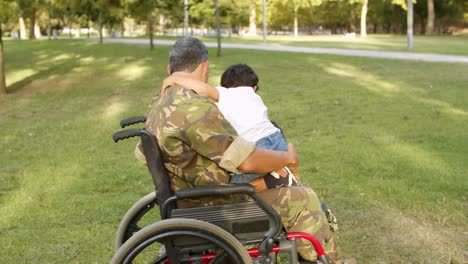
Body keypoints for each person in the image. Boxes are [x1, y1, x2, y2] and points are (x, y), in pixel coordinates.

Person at [140, 37, 338, 262]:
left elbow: (141, 154)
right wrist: (286, 157)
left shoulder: (161, 102)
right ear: (205, 67)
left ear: (169, 69)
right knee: (304, 198)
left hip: (186, 201)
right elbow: (246, 161)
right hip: (215, 206)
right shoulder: (194, 108)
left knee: (281, 181)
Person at [161, 64, 298, 190]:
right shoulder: (254, 96)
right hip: (278, 140)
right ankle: (283, 169)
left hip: (259, 147)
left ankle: (278, 179)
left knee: (234, 184)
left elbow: (202, 87)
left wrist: (175, 79)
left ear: (224, 86)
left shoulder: (226, 94)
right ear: (254, 87)